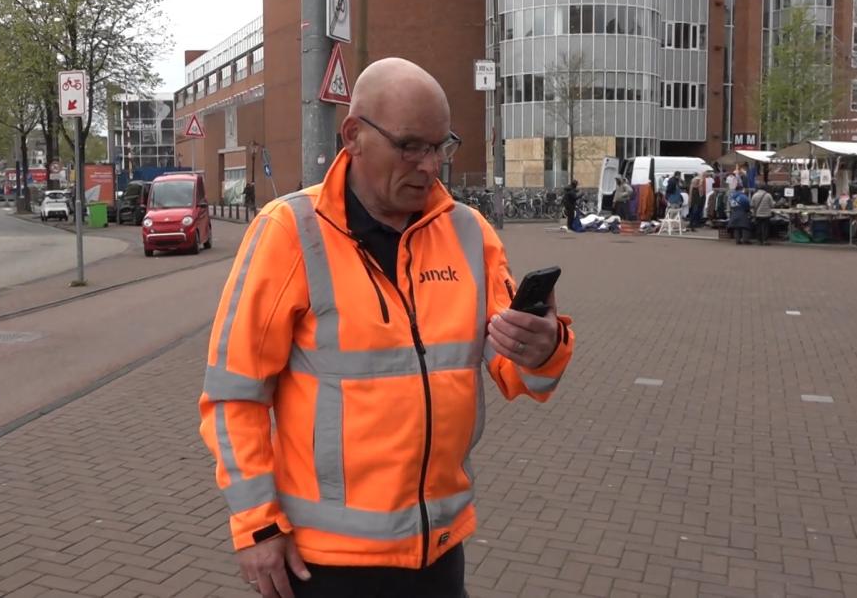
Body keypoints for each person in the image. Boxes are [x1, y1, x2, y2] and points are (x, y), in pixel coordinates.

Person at [199, 57, 576, 598]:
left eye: (441, 146)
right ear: (353, 135)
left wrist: (542, 349)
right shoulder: (289, 233)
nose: (429, 166)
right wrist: (257, 525)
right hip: (326, 565)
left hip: (439, 552)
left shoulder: (469, 233)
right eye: (410, 146)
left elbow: (515, 371)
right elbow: (234, 394)